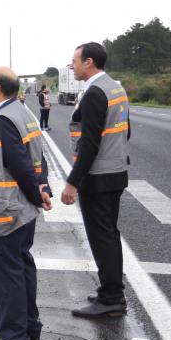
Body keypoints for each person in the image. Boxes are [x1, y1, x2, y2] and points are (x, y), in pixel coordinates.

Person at [0, 67, 52, 340]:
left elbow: (19, 164)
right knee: (21, 267)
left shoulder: (4, 118)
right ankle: (28, 326)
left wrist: (36, 194)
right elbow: (37, 158)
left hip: (5, 210)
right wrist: (41, 192)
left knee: (6, 274)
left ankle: (12, 334)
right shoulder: (22, 112)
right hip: (22, 207)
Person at [61, 42, 130, 319]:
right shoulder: (115, 87)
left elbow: (89, 144)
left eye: (75, 60)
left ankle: (112, 298)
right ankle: (110, 290)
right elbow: (125, 130)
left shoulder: (94, 94)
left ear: (88, 62)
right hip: (115, 171)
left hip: (98, 176)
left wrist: (73, 182)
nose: (72, 65)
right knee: (109, 235)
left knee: (103, 238)